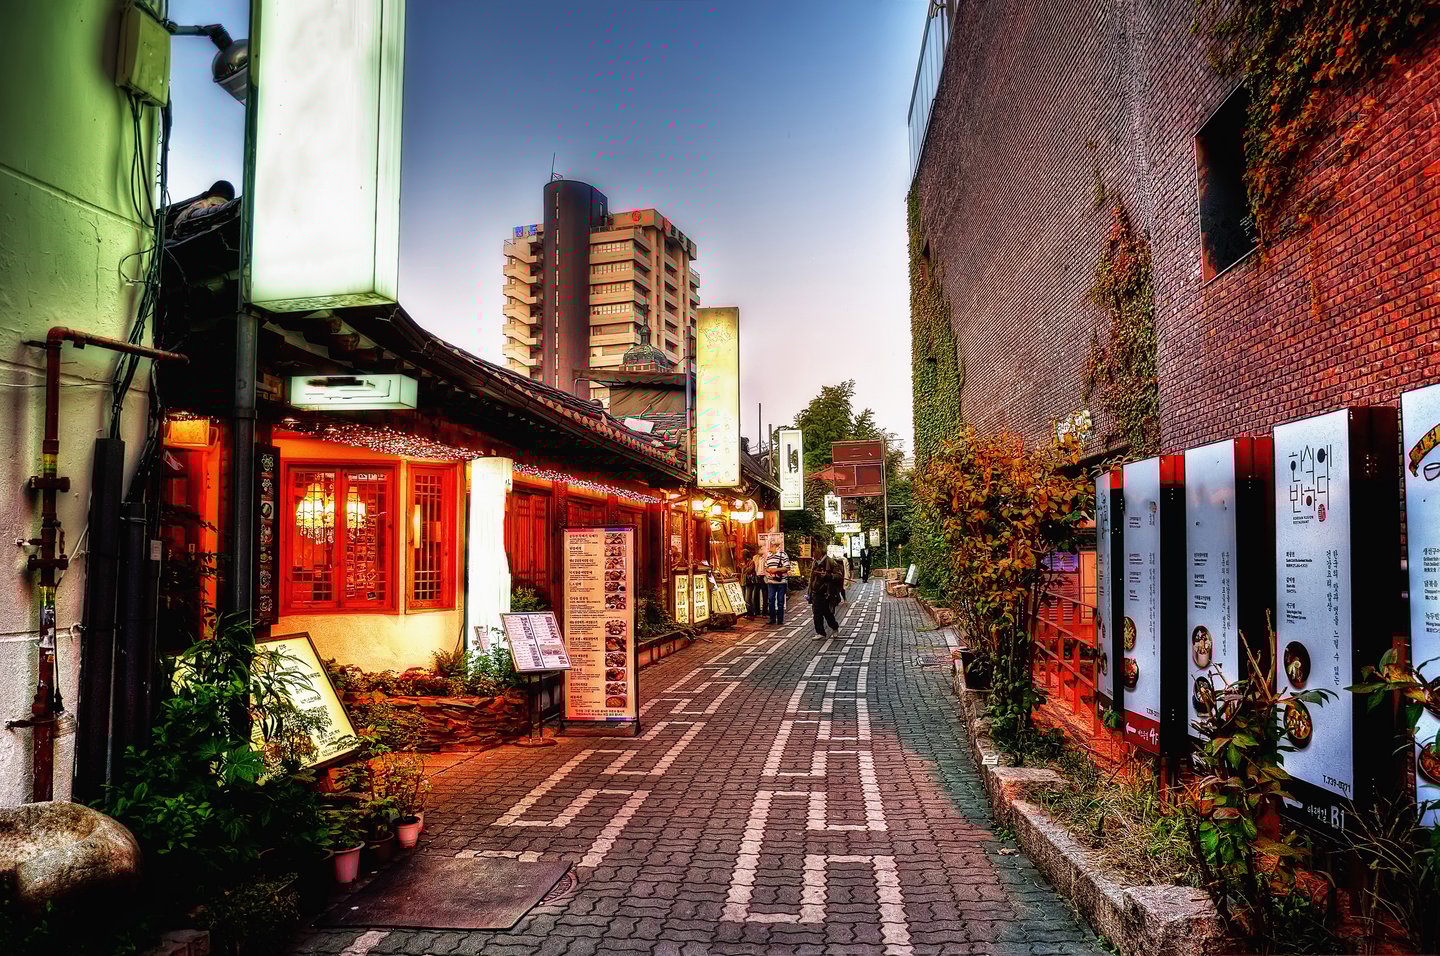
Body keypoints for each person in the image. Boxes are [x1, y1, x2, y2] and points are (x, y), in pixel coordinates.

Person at [808, 538, 845, 640]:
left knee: (827, 613)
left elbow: (839, 576)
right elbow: (811, 578)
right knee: (816, 613)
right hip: (816, 592)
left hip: (827, 592)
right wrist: (810, 592)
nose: (814, 552)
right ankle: (820, 632)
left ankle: (834, 627)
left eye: (815, 550)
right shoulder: (814, 562)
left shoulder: (831, 562)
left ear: (821, 551)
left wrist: (827, 576)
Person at [764, 545, 791, 625]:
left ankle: (780, 619)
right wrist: (769, 570)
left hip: (781, 582)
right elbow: (766, 567)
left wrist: (775, 570)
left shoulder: (783, 555)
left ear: (775, 547)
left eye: (770, 546)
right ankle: (772, 619)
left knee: (780, 600)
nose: (769, 548)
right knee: (771, 599)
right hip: (771, 581)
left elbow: (787, 567)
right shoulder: (768, 556)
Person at [744, 545, 764, 617]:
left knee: (749, 597)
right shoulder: (754, 557)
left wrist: (743, 568)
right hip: (745, 581)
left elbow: (749, 570)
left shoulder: (751, 561)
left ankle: (752, 612)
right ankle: (751, 612)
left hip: (752, 581)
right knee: (748, 597)